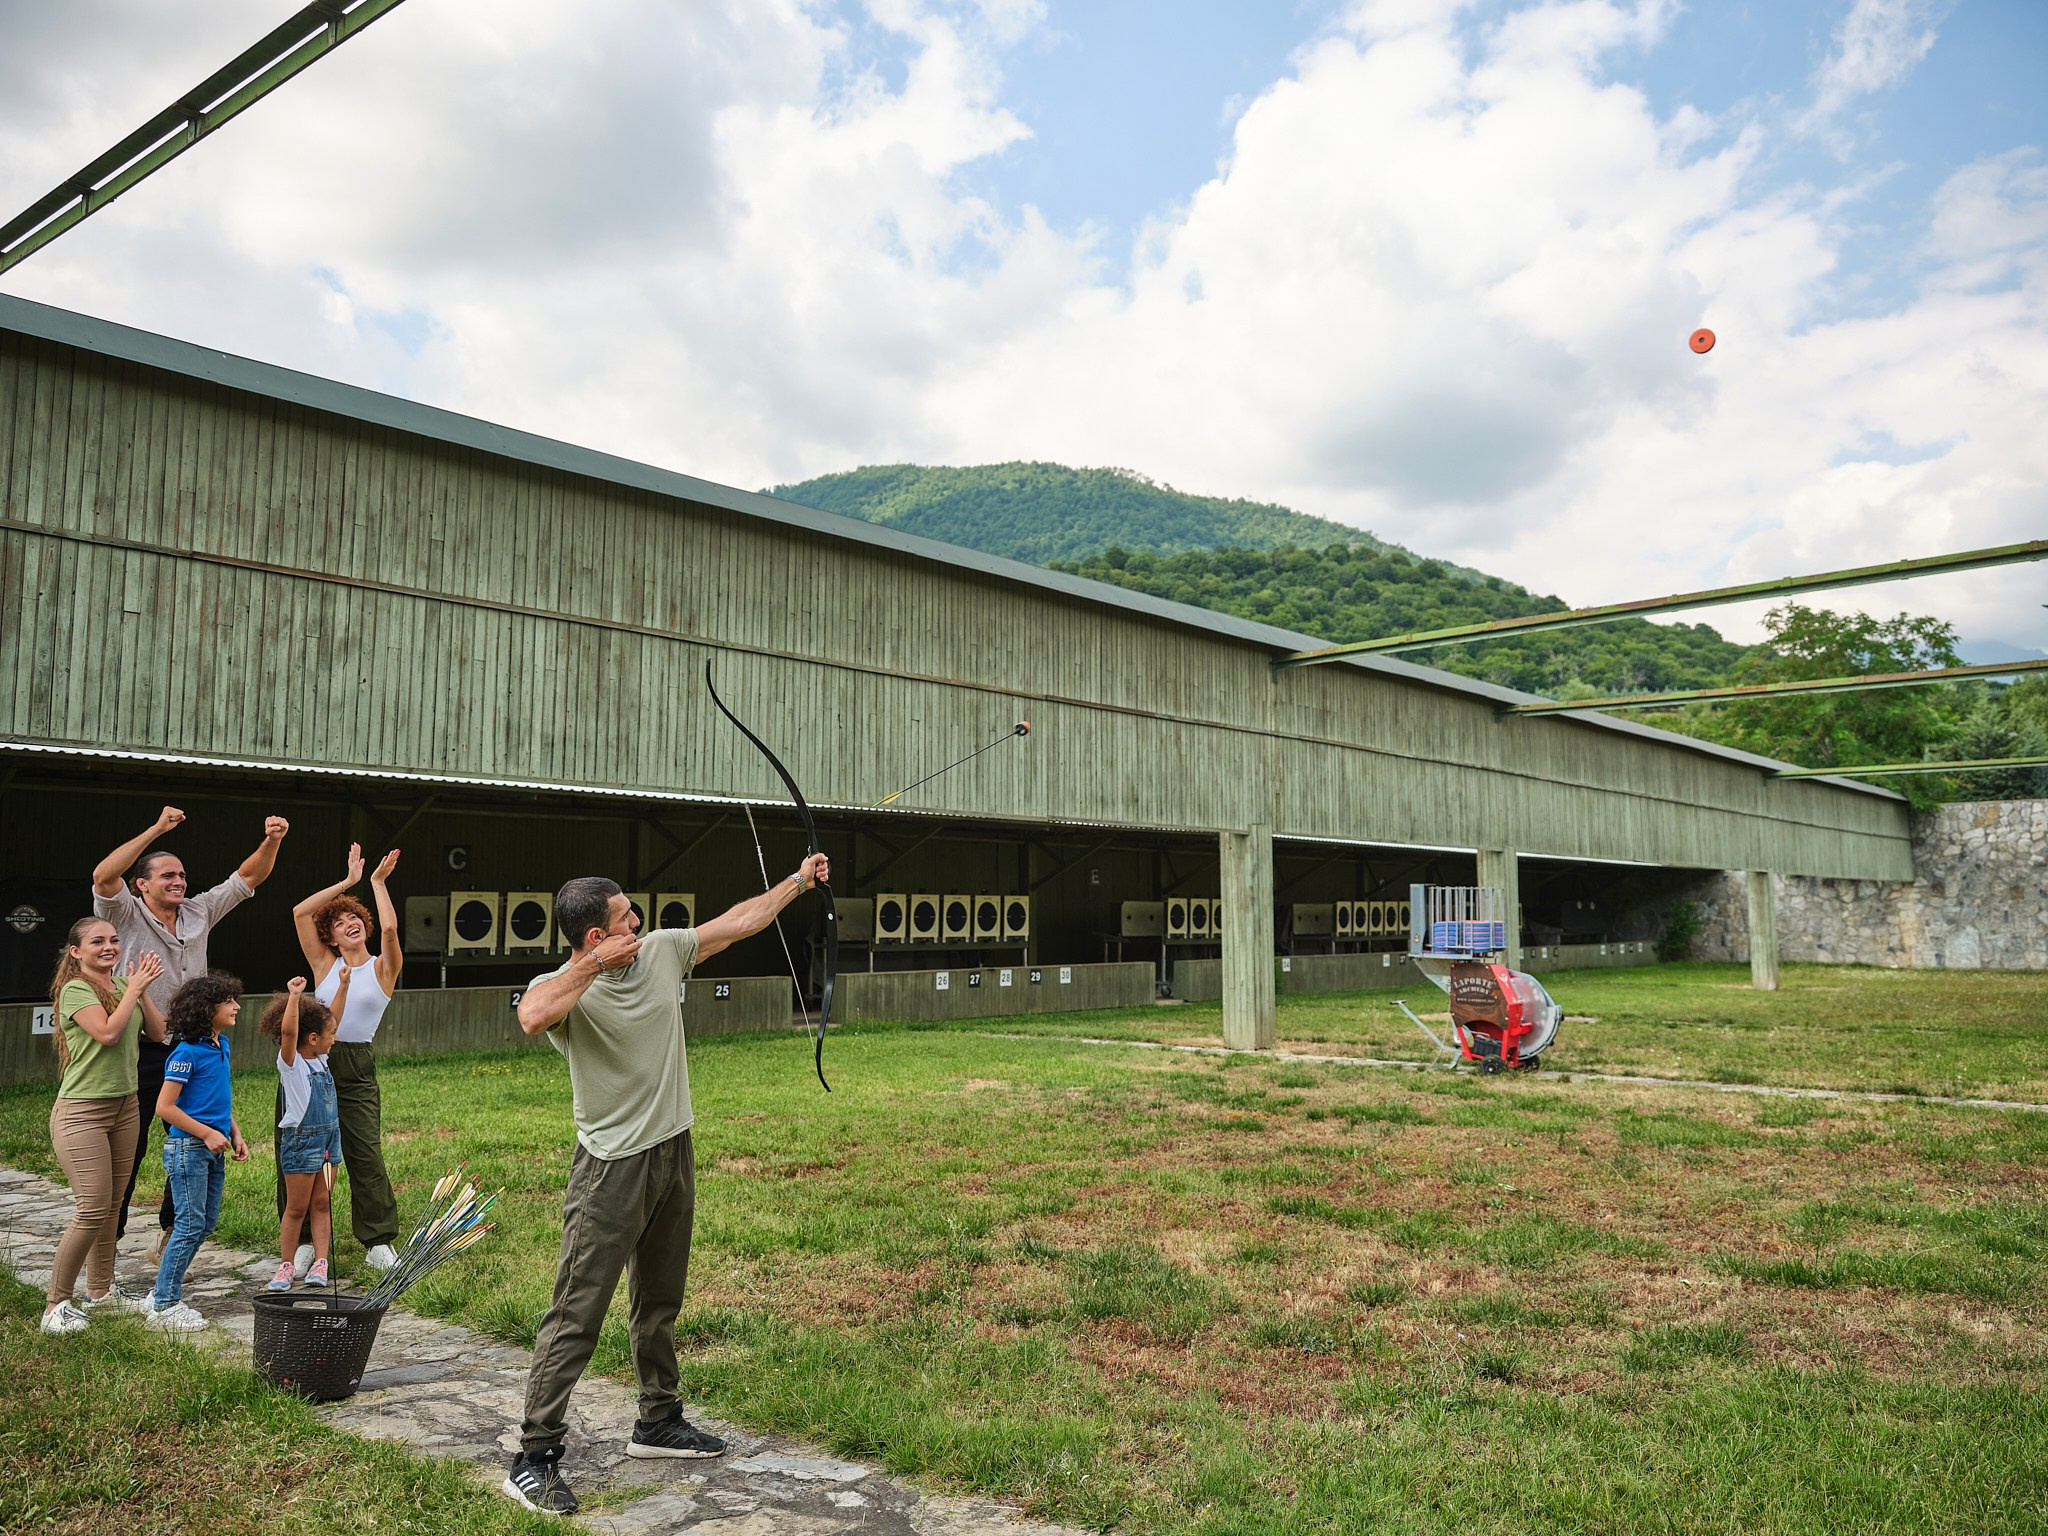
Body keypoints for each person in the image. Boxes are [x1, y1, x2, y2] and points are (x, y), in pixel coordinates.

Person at [500, 855, 829, 1518]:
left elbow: (735, 924)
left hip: (672, 1149)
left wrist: (796, 882)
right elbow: (531, 1015)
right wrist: (591, 967)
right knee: (577, 1312)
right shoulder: (568, 985)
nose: (640, 923)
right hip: (609, 1167)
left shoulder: (661, 951)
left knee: (660, 1299)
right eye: (626, 919)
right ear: (595, 936)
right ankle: (533, 1457)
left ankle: (658, 1420)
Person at [91, 806, 288, 1259]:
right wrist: (157, 829)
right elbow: (104, 876)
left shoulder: (198, 911)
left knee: (195, 1143)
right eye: (167, 875)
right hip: (135, 1050)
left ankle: (171, 1234)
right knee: (129, 1150)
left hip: (190, 1047)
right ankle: (107, 1245)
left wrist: (272, 839)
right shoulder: (124, 912)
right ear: (142, 884)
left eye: (181, 875)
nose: (178, 881)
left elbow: (247, 879)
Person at [43, 920, 167, 1333]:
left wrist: (140, 990)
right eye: (97, 941)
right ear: (76, 951)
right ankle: (56, 1306)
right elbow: (109, 1034)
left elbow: (158, 1031)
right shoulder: (75, 989)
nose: (109, 946)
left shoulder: (120, 986)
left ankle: (101, 1292)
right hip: (82, 1113)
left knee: (114, 1206)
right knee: (92, 1208)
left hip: (125, 1106)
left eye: (114, 940)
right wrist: (132, 989)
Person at [287, 844, 402, 1275]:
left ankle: (377, 1240)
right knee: (302, 1153)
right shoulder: (323, 965)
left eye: (355, 918)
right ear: (329, 937)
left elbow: (390, 932)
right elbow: (301, 913)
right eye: (339, 922)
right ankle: (300, 1241)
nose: (350, 923)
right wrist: (346, 885)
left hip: (354, 1063)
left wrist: (376, 883)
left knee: (364, 1152)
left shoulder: (382, 968)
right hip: (310, 1062)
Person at [149, 971, 249, 1331]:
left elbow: (216, 1101)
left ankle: (161, 1289)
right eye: (228, 1001)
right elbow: (166, 1108)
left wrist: (233, 1132)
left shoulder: (220, 1045)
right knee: (189, 1225)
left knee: (204, 1223)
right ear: (206, 1009)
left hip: (212, 1148)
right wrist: (207, 1134)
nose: (236, 1006)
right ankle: (164, 1304)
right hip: (187, 1149)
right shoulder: (185, 1053)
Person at [260, 973, 346, 1292]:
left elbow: (331, 1018)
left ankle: (320, 1263)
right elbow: (289, 1031)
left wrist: (345, 986)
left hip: (327, 1141)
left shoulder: (321, 1059)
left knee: (322, 1204)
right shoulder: (292, 1065)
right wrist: (294, 997)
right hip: (301, 1143)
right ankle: (286, 1265)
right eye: (331, 1033)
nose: (335, 1037)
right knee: (296, 1208)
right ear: (312, 1038)